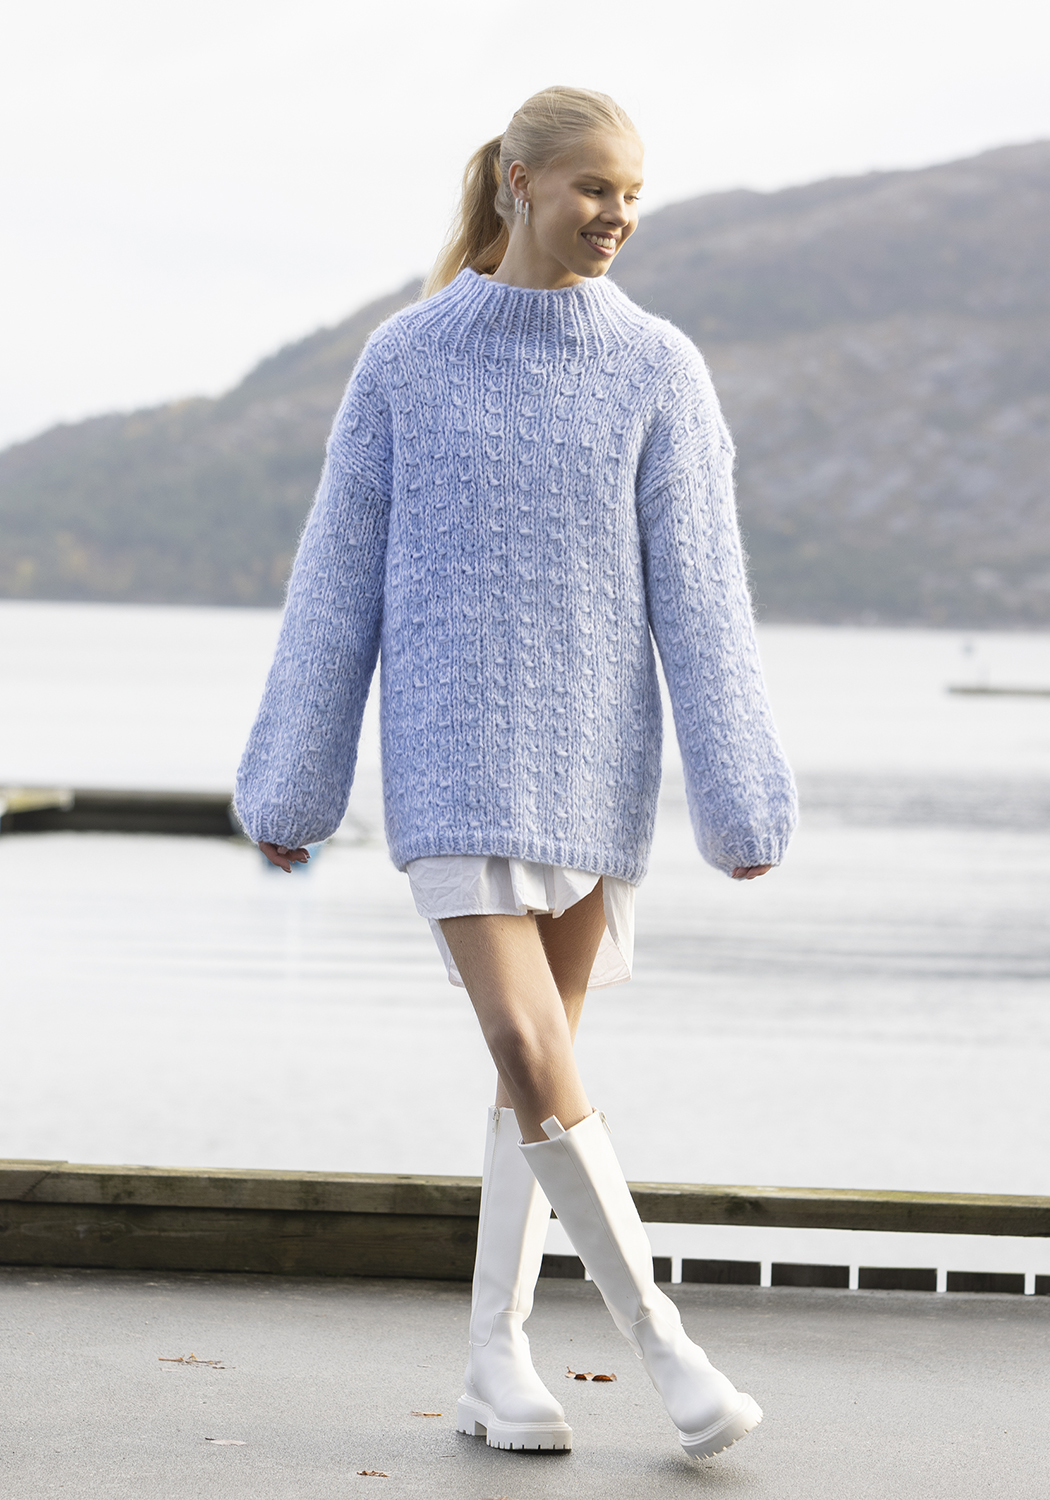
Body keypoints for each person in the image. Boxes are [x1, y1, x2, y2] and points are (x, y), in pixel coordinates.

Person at [235, 85, 797, 1465]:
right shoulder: (406, 360)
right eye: (593, 187)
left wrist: (738, 794)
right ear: (520, 183)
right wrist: (293, 784)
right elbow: (336, 583)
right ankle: (664, 1345)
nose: (615, 215)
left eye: (632, 194)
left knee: (532, 1081)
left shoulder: (659, 367)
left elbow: (703, 597)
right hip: (447, 757)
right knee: (527, 1047)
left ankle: (496, 1360)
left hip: (596, 764)